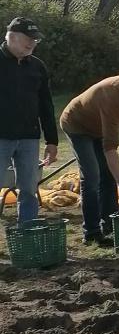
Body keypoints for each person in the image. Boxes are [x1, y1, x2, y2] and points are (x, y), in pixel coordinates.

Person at [60, 74, 119, 247]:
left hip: (98, 127)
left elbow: (109, 151)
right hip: (77, 125)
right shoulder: (112, 101)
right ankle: (91, 233)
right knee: (91, 177)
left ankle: (110, 225)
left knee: (108, 176)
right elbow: (110, 150)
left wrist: (118, 180)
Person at [0, 17, 57, 225]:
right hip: (1, 138)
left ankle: (28, 233)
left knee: (29, 190)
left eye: (35, 39)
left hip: (29, 139)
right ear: (12, 37)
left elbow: (46, 105)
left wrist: (52, 141)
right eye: (29, 39)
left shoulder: (37, 67)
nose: (32, 43)